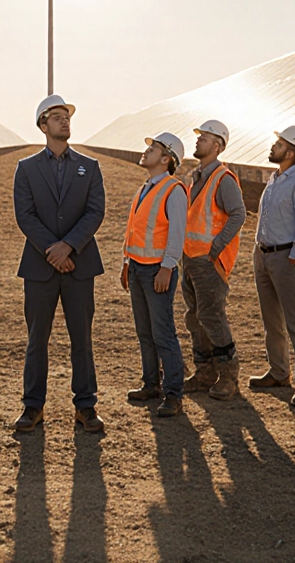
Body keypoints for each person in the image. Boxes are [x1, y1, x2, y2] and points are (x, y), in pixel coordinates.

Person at [13, 94, 107, 434]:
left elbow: (95, 211)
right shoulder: (26, 168)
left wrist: (68, 247)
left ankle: (86, 405)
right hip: (40, 268)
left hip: (79, 265)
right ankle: (33, 406)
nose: (65, 120)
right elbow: (25, 215)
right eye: (56, 116)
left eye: (67, 116)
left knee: (82, 338)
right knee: (37, 338)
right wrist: (52, 250)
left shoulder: (89, 166)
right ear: (43, 125)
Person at [248, 126, 295, 408]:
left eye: (279, 144)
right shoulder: (274, 179)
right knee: (271, 321)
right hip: (264, 255)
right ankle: (279, 372)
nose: (273, 147)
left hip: (285, 257)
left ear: (292, 152)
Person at [121, 132, 188, 418]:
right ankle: (151, 384)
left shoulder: (173, 190)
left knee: (163, 333)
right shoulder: (146, 188)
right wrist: (127, 262)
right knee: (144, 331)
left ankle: (173, 394)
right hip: (138, 267)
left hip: (157, 270)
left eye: (154, 148)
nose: (146, 151)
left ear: (166, 159)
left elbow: (177, 233)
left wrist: (167, 266)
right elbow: (135, 229)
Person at [180, 119, 247, 401]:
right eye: (199, 137)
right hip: (190, 259)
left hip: (209, 261)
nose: (199, 141)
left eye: (205, 138)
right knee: (195, 318)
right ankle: (204, 373)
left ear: (218, 146)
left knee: (212, 317)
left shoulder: (223, 178)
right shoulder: (196, 177)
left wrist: (217, 247)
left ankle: (228, 377)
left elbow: (238, 214)